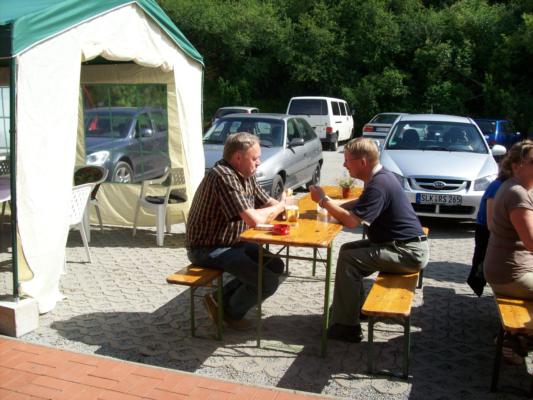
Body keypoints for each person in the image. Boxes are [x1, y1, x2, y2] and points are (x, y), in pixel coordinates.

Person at [309, 137, 429, 342]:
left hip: (408, 253)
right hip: (401, 245)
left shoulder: (379, 184)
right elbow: (361, 202)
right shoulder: (381, 178)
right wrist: (334, 205)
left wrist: (323, 201)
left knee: (350, 260)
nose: (344, 165)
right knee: (347, 250)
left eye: (347, 160)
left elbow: (351, 222)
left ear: (362, 162)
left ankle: (347, 327)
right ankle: (356, 309)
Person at [186, 132, 286, 330]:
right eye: (255, 158)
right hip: (207, 248)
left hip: (232, 243)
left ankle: (218, 299)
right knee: (267, 281)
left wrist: (284, 207)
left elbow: (267, 202)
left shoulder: (245, 174)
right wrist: (281, 207)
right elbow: (254, 220)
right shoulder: (223, 176)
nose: (259, 162)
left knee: (275, 265)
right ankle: (230, 313)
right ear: (238, 157)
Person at [484, 140, 533, 363]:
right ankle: (520, 334)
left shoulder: (515, 187)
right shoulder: (517, 193)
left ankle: (518, 336)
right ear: (516, 165)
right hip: (511, 274)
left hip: (505, 269)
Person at [467, 167, 510, 296]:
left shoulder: (506, 186)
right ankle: (477, 284)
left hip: (492, 229)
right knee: (481, 260)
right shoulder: (497, 186)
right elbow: (490, 221)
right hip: (485, 229)